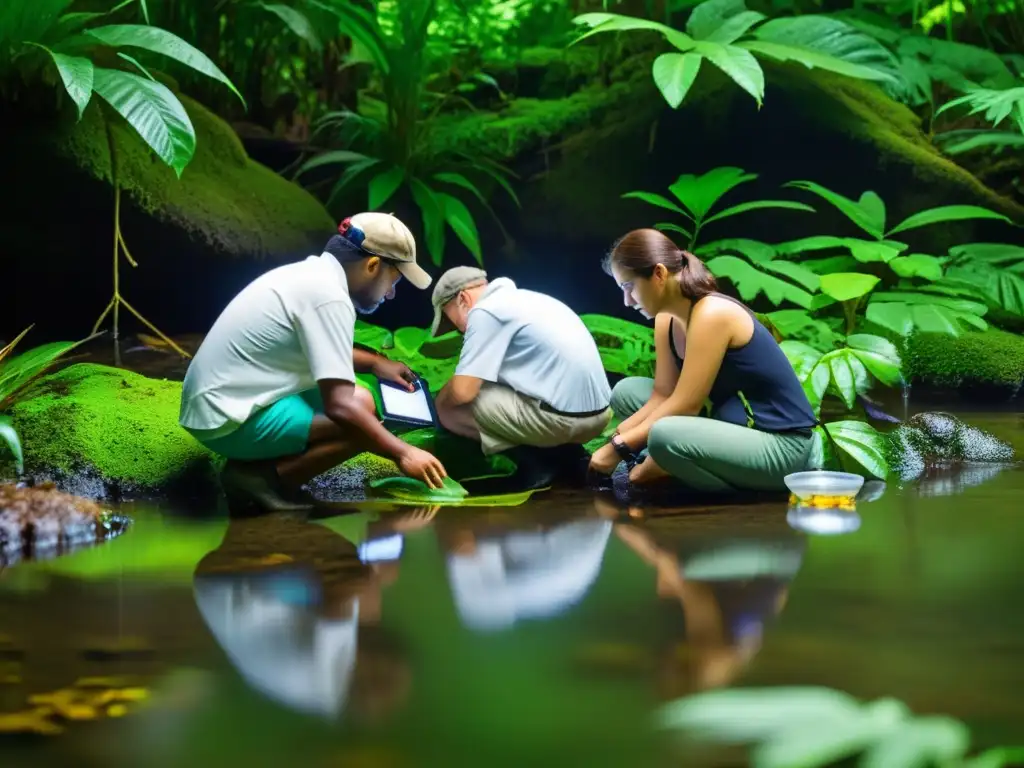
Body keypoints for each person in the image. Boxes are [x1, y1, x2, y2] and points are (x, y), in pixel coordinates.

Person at [179, 212, 448, 511]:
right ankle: (262, 478)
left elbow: (316, 348)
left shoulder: (312, 276)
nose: (391, 294)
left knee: (363, 402)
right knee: (363, 422)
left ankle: (266, 461)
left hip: (220, 399)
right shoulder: (329, 297)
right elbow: (340, 407)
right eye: (393, 280)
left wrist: (373, 363)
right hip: (226, 421)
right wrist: (404, 453)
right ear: (372, 266)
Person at [587, 229, 817, 494]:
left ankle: (700, 481)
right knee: (627, 392)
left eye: (629, 287)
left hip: (780, 446)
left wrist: (620, 449)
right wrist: (619, 437)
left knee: (664, 436)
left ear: (659, 274)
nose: (626, 302)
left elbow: (686, 406)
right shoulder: (666, 317)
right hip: (728, 422)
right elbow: (663, 394)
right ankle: (671, 460)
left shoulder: (712, 314)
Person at [429, 266, 613, 490]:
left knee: (449, 408)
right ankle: (571, 456)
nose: (459, 331)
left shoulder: (485, 312)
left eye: (452, 322)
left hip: (564, 421)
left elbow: (463, 391)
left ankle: (536, 463)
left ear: (463, 299)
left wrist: (438, 401)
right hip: (600, 416)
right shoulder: (529, 299)